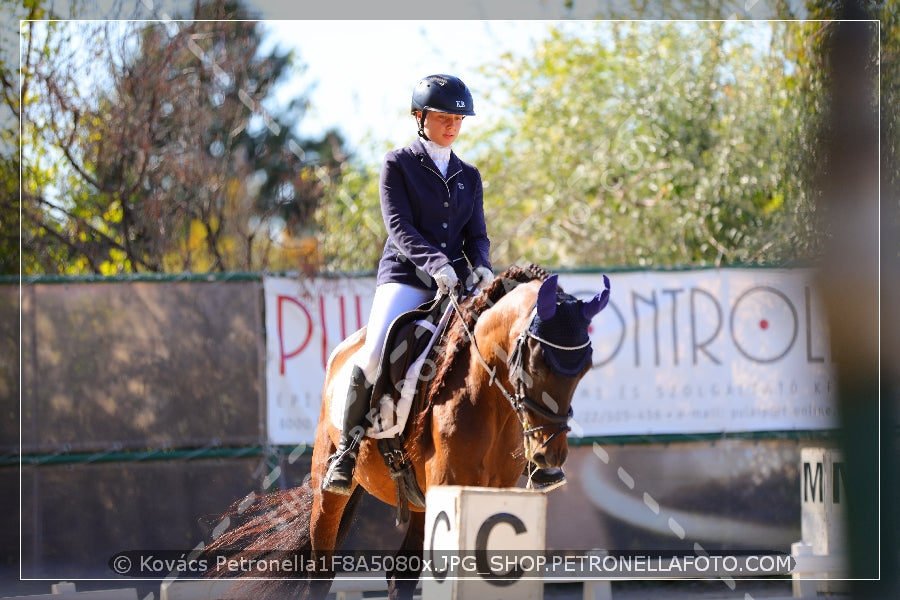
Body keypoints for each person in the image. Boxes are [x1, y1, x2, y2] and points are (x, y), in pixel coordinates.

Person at [322, 74, 564, 494]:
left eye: (458, 118)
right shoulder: (397, 164)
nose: (452, 124)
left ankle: (530, 456)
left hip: (458, 283)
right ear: (420, 117)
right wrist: (437, 265)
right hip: (405, 279)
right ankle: (345, 452)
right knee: (376, 351)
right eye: (443, 116)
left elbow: (477, 236)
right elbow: (398, 227)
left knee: (503, 352)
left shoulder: (469, 175)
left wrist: (483, 267)